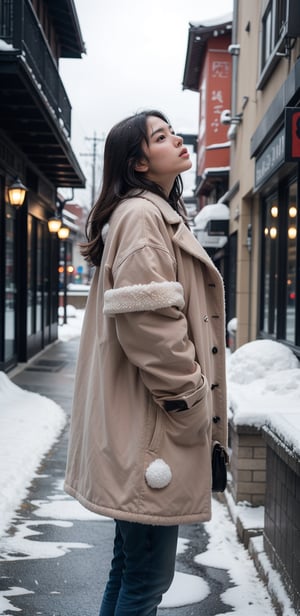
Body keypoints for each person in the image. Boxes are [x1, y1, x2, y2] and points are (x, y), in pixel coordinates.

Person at [64, 109, 227, 616]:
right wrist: (191, 401)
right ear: (138, 163)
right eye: (161, 136)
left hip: (145, 422)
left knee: (131, 571)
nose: (177, 139)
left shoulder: (148, 212)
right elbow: (151, 326)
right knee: (147, 580)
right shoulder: (141, 215)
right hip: (154, 427)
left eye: (172, 130)